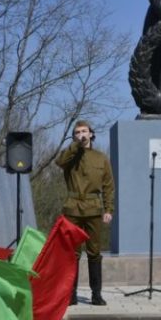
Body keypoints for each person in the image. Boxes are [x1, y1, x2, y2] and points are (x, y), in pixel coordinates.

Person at [56, 120, 115, 306]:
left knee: (94, 252)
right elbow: (59, 162)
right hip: (73, 207)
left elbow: (108, 186)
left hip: (93, 208)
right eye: (77, 132)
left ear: (91, 134)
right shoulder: (70, 155)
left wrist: (108, 209)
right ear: (74, 136)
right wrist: (75, 145)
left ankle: (96, 294)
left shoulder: (101, 158)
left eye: (84, 131)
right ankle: (70, 294)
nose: (81, 134)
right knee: (72, 254)